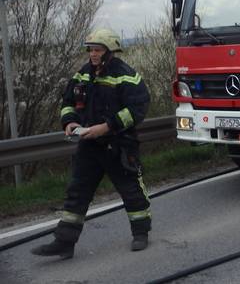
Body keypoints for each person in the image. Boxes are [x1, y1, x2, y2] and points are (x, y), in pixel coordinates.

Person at [31, 29, 151, 259]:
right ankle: (64, 242)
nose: (93, 54)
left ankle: (141, 233)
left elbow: (137, 109)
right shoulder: (83, 74)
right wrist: (70, 121)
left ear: (109, 51)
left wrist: (107, 127)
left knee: (131, 191)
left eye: (97, 50)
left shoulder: (125, 75)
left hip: (118, 145)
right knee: (77, 192)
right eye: (90, 50)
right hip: (89, 145)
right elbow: (68, 102)